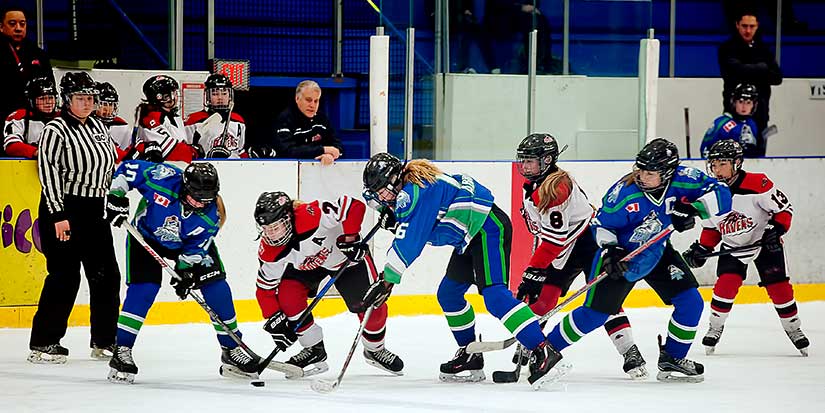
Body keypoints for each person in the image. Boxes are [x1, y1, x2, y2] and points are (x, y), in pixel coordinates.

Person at [537, 138, 733, 385]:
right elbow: (602, 226)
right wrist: (610, 252)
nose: (641, 176)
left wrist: (695, 209)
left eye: (649, 173)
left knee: (691, 302)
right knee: (595, 315)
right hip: (622, 256)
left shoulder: (686, 179)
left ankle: (673, 357)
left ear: (668, 173)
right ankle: (545, 349)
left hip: (656, 251)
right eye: (639, 169)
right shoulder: (624, 193)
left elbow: (722, 194)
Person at [359, 153, 561, 389]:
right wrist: (395, 220)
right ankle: (470, 355)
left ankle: (542, 349)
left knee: (494, 296)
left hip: (487, 229)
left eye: (383, 191)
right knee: (449, 295)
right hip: (469, 234)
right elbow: (426, 227)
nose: (382, 198)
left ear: (395, 178)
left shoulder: (418, 191)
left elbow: (411, 241)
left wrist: (386, 281)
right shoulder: (413, 187)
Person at [103, 160, 259, 384]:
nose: (198, 204)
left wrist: (185, 271)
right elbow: (128, 170)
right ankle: (122, 350)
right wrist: (117, 196)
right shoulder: (164, 178)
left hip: (186, 246)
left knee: (217, 288)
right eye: (195, 198)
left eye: (205, 200)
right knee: (144, 289)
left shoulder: (212, 215)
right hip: (146, 237)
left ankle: (231, 349)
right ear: (185, 186)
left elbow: (197, 246)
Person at [514, 133, 646, 379]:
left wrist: (533, 270)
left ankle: (630, 350)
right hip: (563, 246)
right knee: (542, 301)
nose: (525, 165)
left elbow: (554, 239)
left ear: (547, 160)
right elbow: (548, 235)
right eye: (524, 160)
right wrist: (535, 271)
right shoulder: (534, 184)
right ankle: (533, 343)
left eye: (530, 161)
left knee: (605, 301)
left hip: (588, 243)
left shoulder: (556, 188)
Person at [253, 191, 404, 377]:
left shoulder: (313, 215)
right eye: (266, 229)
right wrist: (274, 319)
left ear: (288, 218)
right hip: (308, 266)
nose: (271, 235)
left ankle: (375, 349)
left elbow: (353, 206)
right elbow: (265, 288)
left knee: (370, 304)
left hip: (345, 258)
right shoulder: (270, 250)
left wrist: (350, 239)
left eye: (275, 227)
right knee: (288, 296)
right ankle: (313, 349)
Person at [682, 140, 809, 356]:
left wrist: (775, 229)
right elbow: (712, 229)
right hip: (733, 245)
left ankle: (793, 328)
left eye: (722, 164)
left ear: (737, 163)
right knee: (725, 286)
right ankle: (715, 326)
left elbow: (784, 210)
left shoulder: (758, 184)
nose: (717, 170)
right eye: (713, 164)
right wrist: (702, 248)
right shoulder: (708, 194)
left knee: (779, 288)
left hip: (764, 242)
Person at [28, 71, 121, 364]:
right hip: (65, 209)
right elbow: (49, 173)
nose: (87, 103)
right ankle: (44, 342)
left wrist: (113, 199)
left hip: (96, 209)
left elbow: (109, 165)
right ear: (67, 99)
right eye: (81, 98)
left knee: (107, 275)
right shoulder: (55, 130)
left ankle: (104, 339)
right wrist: (58, 214)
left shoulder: (97, 126)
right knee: (64, 276)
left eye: (91, 98)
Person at [718, 10, 782, 157]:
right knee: (732, 154)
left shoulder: (764, 49)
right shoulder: (727, 48)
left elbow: (777, 77)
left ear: (757, 26)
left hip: (760, 113)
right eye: (744, 26)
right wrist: (762, 68)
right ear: (737, 25)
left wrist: (747, 69)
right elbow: (732, 72)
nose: (748, 30)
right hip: (733, 113)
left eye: (752, 26)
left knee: (758, 153)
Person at [251, 80, 342, 165]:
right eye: (308, 100)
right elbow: (288, 151)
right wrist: (323, 150)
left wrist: (330, 155)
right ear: (297, 99)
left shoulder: (322, 119)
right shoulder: (285, 119)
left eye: (316, 101)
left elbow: (337, 146)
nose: (312, 105)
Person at [0, 7, 54, 126]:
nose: (18, 28)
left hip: (33, 118)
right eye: (12, 24)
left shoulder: (39, 54)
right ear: (1, 27)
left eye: (22, 24)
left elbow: (50, 86)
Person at [132, 74, 200, 163]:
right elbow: (174, 152)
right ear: (161, 97)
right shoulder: (150, 119)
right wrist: (192, 151)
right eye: (172, 93)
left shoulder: (174, 117)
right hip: (159, 171)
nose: (176, 96)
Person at [184, 73, 247, 158]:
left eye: (224, 93)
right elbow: (187, 151)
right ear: (208, 96)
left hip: (233, 168)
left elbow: (240, 152)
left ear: (229, 96)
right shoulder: (194, 120)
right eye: (215, 94)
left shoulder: (238, 120)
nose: (220, 98)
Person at [3, 76, 58, 158]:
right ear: (32, 100)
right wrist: (36, 152)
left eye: (50, 98)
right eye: (42, 99)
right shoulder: (20, 117)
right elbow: (11, 145)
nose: (48, 102)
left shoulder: (63, 117)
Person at [700, 83, 759, 158]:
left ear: (754, 105)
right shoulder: (721, 123)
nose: (744, 106)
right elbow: (705, 148)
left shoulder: (752, 124)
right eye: (740, 102)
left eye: (748, 103)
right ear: (734, 102)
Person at [94, 81, 131, 151]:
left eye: (111, 105)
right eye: (104, 104)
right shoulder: (86, 124)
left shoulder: (122, 126)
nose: (108, 109)